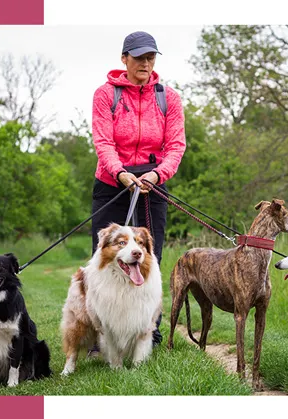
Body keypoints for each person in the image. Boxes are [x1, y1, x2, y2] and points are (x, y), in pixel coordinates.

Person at [89, 30, 186, 349]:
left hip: (153, 185)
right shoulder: (106, 94)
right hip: (112, 184)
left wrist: (158, 175)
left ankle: (148, 330)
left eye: (151, 57)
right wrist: (120, 173)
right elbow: (103, 140)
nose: (146, 63)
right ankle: (101, 331)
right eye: (139, 57)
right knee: (105, 257)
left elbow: (176, 145)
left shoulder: (168, 97)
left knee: (149, 258)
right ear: (124, 59)